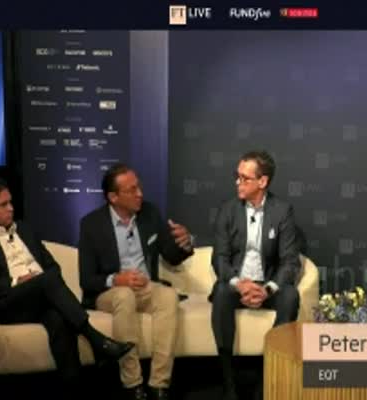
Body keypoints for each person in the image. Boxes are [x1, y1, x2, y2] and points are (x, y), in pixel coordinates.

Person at [0, 177, 134, 397]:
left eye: (11, 202)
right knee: (46, 280)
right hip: (9, 303)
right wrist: (17, 281)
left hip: (40, 299)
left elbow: (52, 266)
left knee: (58, 318)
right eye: (3, 205)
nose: (11, 208)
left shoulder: (24, 229)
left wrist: (40, 281)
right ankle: (96, 339)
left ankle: (74, 389)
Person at [78, 164, 194, 400]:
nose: (140, 193)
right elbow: (87, 279)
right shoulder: (91, 224)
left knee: (168, 296)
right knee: (124, 295)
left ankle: (159, 384)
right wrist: (117, 279)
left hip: (145, 287)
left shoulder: (149, 214)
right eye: (132, 190)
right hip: (111, 291)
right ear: (113, 197)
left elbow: (171, 255)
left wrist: (185, 243)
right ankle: (132, 383)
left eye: (139, 187)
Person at [211, 150, 301, 400]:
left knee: (290, 296)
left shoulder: (282, 211)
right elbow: (219, 258)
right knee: (221, 291)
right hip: (236, 284)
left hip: (266, 284)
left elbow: (290, 261)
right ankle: (228, 382)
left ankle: (266, 378)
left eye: (245, 178)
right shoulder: (228, 210)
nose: (237, 182)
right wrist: (239, 284)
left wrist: (267, 289)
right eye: (237, 176)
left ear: (262, 181)